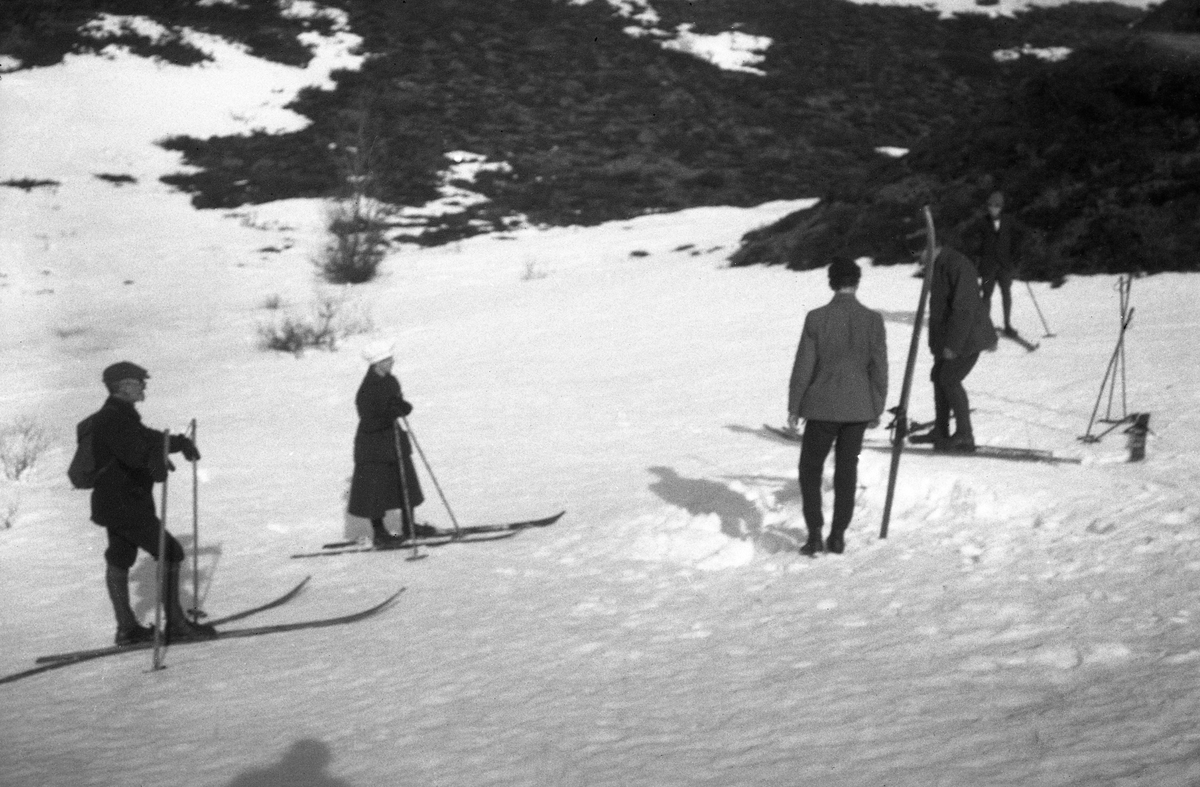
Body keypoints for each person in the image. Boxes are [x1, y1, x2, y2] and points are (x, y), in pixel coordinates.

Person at [90, 361, 214, 645]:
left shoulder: (121, 415)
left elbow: (146, 440)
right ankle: (177, 625)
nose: (144, 386)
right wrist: (154, 460)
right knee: (170, 552)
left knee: (119, 557)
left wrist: (178, 443)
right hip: (126, 505)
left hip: (117, 504)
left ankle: (128, 630)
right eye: (139, 382)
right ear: (123, 387)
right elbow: (133, 453)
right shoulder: (112, 419)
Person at [787, 257, 888, 556]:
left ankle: (815, 534)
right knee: (847, 469)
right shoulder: (873, 320)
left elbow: (803, 366)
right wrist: (876, 407)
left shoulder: (816, 318)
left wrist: (795, 405)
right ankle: (839, 535)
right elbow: (879, 368)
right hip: (858, 409)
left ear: (831, 282)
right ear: (856, 282)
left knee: (810, 468)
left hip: (822, 407)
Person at [910, 234, 997, 453]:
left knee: (948, 378)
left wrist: (953, 345)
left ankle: (964, 436)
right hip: (949, 338)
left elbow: (964, 309)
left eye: (918, 253)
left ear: (931, 248)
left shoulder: (957, 265)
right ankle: (941, 430)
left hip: (968, 338)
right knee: (939, 376)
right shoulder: (939, 265)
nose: (917, 260)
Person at [347, 340, 432, 547]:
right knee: (375, 489)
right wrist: (389, 413)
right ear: (376, 364)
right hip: (373, 445)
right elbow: (368, 421)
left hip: (394, 440)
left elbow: (397, 404)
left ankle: (409, 525)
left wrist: (402, 407)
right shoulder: (366, 390)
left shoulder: (391, 381)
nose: (391, 362)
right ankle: (379, 533)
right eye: (387, 360)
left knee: (406, 482)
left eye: (390, 358)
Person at [971, 190, 1025, 336]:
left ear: (1001, 207)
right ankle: (985, 326)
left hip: (1005, 265)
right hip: (988, 265)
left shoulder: (1008, 220)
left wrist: (1016, 255)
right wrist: (977, 254)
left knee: (1006, 293)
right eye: (990, 205)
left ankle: (1007, 325)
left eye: (996, 206)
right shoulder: (982, 222)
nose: (992, 208)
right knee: (987, 295)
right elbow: (973, 240)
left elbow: (1018, 237)